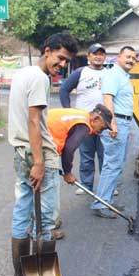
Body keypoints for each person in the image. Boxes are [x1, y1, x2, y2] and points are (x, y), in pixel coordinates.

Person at [9, 32, 78, 276]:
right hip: (39, 154)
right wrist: (39, 162)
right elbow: (34, 121)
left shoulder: (23, 74)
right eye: (60, 58)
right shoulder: (39, 79)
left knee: (22, 212)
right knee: (46, 218)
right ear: (47, 51)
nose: (61, 64)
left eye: (66, 61)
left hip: (19, 151)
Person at [91, 46, 136, 219]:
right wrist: (113, 125)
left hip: (123, 123)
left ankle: (106, 200)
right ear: (118, 57)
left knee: (117, 164)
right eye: (127, 57)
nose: (131, 60)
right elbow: (108, 99)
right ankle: (101, 203)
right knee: (112, 165)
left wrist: (127, 126)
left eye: (133, 57)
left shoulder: (124, 76)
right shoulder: (113, 75)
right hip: (115, 123)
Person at [59, 43, 107, 195]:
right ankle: (86, 185)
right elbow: (64, 90)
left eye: (101, 54)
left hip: (104, 123)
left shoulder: (110, 74)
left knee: (105, 155)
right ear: (88, 57)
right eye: (95, 54)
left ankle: (107, 186)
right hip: (83, 122)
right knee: (86, 155)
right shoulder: (80, 72)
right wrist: (68, 110)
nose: (98, 56)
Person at [47, 104, 113, 184]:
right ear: (96, 119)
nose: (101, 132)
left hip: (35, 135)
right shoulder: (84, 125)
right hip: (44, 142)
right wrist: (67, 172)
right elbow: (69, 148)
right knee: (49, 182)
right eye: (102, 128)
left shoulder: (82, 115)